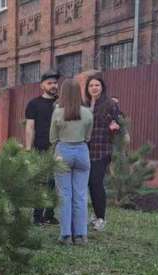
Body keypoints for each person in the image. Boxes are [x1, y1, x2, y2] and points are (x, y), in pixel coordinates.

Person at [50, 79, 93, 245]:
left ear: (63, 93)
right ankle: (81, 235)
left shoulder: (57, 112)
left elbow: (52, 137)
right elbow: (88, 136)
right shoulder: (88, 112)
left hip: (63, 151)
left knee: (64, 195)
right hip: (82, 151)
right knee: (81, 195)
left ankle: (66, 235)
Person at [84, 73, 121, 232]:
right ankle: (95, 214)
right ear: (87, 88)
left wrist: (115, 127)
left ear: (102, 87)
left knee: (95, 182)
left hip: (102, 149)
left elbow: (117, 123)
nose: (94, 88)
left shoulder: (110, 104)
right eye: (91, 85)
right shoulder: (85, 105)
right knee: (88, 183)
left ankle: (101, 218)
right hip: (85, 149)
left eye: (97, 85)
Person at [25, 69, 61, 225]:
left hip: (59, 148)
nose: (53, 86)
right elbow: (29, 127)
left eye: (55, 83)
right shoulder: (34, 104)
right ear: (42, 86)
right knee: (41, 183)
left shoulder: (61, 103)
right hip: (41, 148)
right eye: (49, 83)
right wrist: (28, 149)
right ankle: (37, 216)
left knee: (55, 183)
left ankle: (50, 214)